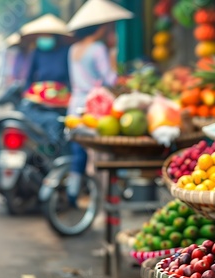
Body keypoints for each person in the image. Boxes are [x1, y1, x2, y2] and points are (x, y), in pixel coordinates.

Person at [65, 0, 133, 205]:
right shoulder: (97, 49)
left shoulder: (74, 48)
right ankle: (107, 197)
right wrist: (113, 57)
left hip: (75, 104)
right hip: (95, 106)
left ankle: (72, 192)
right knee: (102, 153)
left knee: (79, 151)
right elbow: (110, 79)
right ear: (102, 28)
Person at [17, 14, 72, 147]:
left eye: (48, 35)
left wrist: (68, 95)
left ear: (55, 36)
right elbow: (29, 78)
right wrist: (27, 93)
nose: (44, 38)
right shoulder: (37, 52)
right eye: (43, 35)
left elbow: (70, 78)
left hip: (60, 101)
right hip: (39, 98)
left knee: (57, 122)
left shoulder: (65, 52)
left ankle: (55, 147)